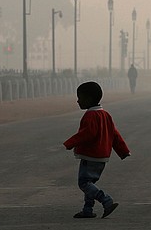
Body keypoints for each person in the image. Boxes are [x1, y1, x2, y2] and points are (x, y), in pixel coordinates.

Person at [63, 81, 130, 219]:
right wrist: (123, 151)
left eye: (80, 98)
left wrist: (69, 143)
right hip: (102, 157)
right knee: (90, 183)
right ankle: (87, 210)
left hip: (90, 156)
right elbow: (115, 134)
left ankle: (106, 200)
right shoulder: (105, 114)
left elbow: (87, 133)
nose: (78, 101)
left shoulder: (90, 115)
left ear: (88, 99)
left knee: (84, 183)